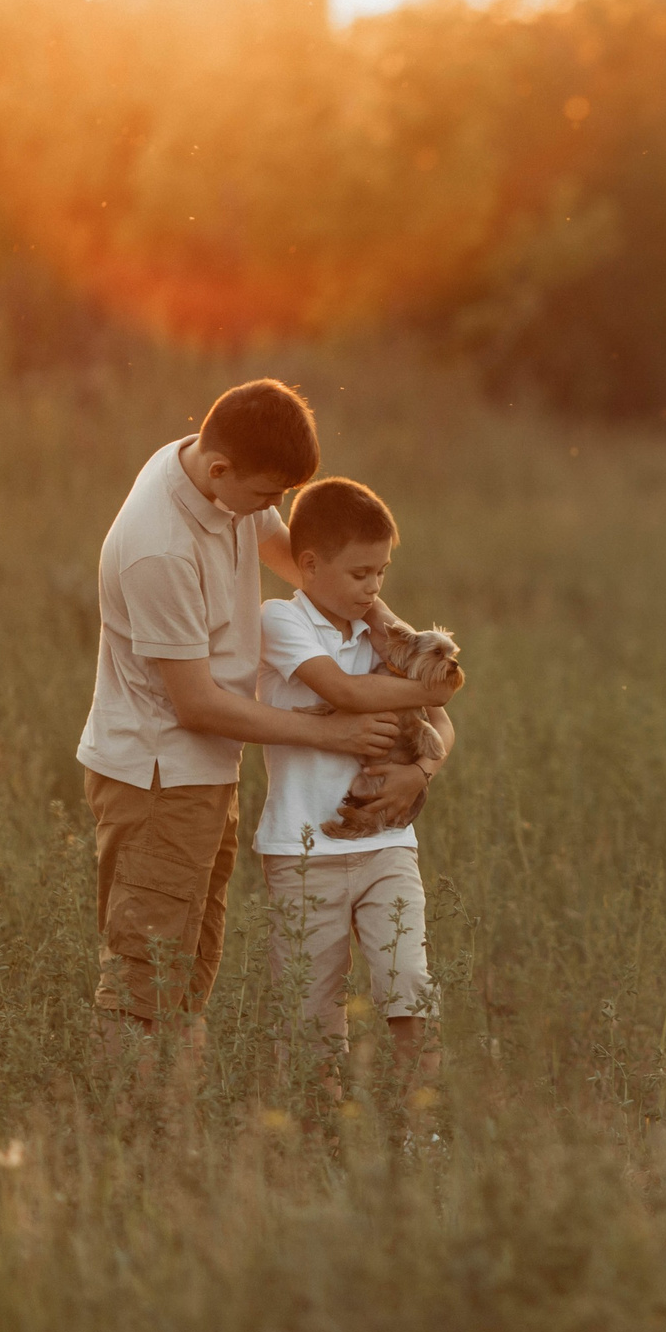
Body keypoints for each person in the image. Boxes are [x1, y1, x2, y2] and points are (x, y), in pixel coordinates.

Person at [74, 380, 421, 1055]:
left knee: (190, 972)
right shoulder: (158, 548)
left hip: (204, 775)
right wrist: (332, 731)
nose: (275, 511)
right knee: (143, 985)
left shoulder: (219, 480)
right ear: (221, 470)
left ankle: (176, 1134)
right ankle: (124, 1141)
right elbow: (195, 703)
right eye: (268, 496)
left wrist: (390, 628)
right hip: (157, 781)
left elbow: (304, 564)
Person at [256, 477, 459, 1093]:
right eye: (359, 574)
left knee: (409, 984)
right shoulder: (278, 621)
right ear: (309, 565)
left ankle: (418, 1127)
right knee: (310, 1010)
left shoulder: (378, 634)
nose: (373, 588)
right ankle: (322, 1133)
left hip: (388, 846)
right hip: (303, 850)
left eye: (382, 573)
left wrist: (419, 772)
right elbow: (346, 693)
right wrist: (431, 684)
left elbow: (442, 723)